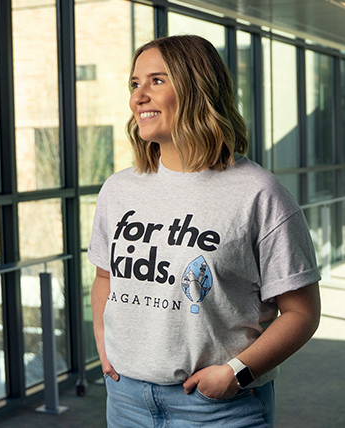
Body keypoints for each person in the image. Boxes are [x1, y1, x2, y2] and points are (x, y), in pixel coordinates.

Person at [88, 34, 322, 427]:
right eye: (134, 84)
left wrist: (235, 373)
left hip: (216, 407)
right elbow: (103, 277)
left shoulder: (257, 193)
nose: (138, 96)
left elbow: (301, 312)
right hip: (126, 400)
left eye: (156, 81)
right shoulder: (119, 189)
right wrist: (105, 346)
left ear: (197, 89)